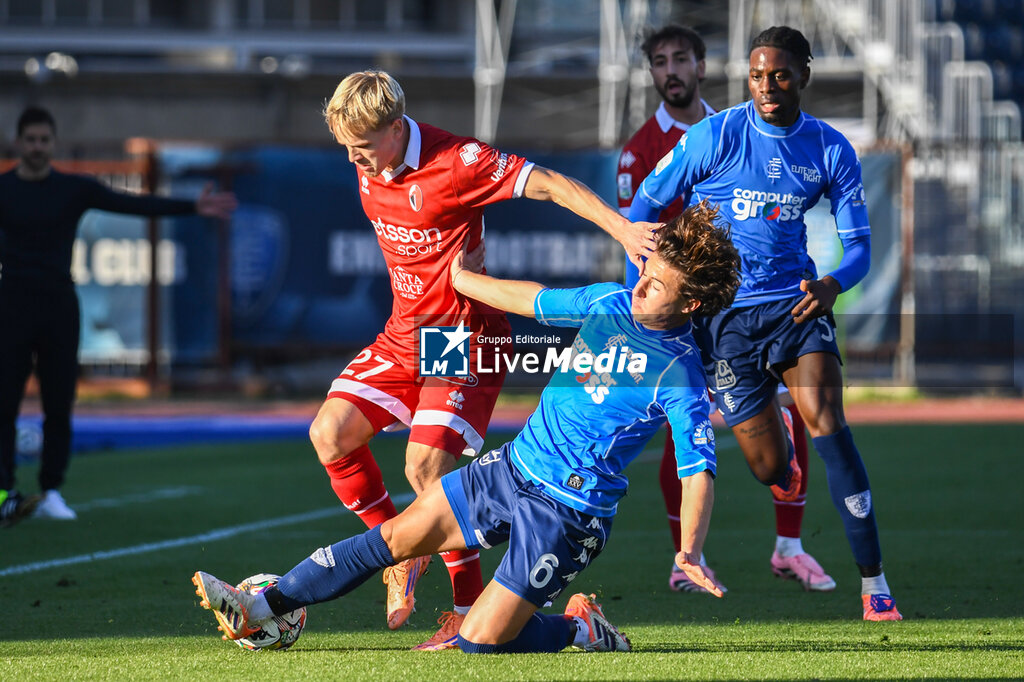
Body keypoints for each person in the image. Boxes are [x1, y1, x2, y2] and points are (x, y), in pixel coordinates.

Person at [192, 200, 740, 654]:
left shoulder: (681, 375)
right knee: (392, 540)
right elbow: (533, 300)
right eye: (645, 271)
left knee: (480, 642)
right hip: (512, 468)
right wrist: (465, 279)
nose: (641, 283)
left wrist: (688, 551)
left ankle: (581, 629)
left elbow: (698, 471)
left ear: (689, 302)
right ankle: (257, 607)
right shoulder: (610, 302)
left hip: (569, 516)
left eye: (656, 284)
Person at [312, 70, 660, 650]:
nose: (354, 160)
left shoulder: (458, 160)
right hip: (405, 333)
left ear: (397, 128)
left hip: (460, 336)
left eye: (363, 148)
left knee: (424, 470)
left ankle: (464, 608)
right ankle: (397, 551)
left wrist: (623, 230)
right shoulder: (367, 162)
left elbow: (550, 184)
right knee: (329, 435)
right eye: (345, 149)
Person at [629, 26, 901, 621]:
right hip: (725, 323)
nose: (768, 86)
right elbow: (645, 208)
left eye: (779, 74)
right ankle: (779, 444)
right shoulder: (716, 135)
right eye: (757, 75)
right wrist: (644, 288)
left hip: (798, 308)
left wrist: (832, 283)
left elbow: (858, 247)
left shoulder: (831, 148)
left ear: (803, 74)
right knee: (770, 469)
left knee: (829, 424)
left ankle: (875, 585)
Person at [618, 25, 833, 595]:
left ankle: (790, 546)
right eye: (660, 61)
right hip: (688, 311)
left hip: (760, 305)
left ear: (702, 66)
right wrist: (641, 311)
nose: (672, 71)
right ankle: (684, 557)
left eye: (681, 59)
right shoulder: (641, 151)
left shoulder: (742, 123)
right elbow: (635, 229)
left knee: (793, 410)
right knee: (680, 424)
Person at [0, 106, 237, 527]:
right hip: (12, 305)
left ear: (52, 143)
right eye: (30, 139)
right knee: (4, 402)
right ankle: (4, 491)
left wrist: (191, 208)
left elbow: (131, 203)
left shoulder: (70, 189)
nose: (37, 147)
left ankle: (51, 490)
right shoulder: (5, 190)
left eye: (43, 140)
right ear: (18, 143)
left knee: (59, 402)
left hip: (58, 304)